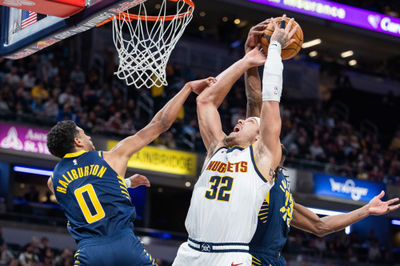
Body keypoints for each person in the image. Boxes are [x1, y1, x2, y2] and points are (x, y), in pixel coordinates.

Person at [242, 18, 400, 266]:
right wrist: (249, 60)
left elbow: (319, 225)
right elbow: (255, 102)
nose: (274, 140)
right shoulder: (256, 169)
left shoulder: (279, 187)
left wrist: (366, 210)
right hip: (244, 259)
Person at [46, 77, 215, 266]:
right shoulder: (111, 158)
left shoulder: (54, 181)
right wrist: (187, 88)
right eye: (84, 133)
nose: (89, 136)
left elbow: (84, 192)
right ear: (77, 141)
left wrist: (124, 183)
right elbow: (161, 123)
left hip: (89, 253)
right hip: (124, 244)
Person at [173, 17, 298, 266]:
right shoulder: (217, 148)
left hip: (230, 255)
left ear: (260, 137)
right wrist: (246, 59)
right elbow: (205, 101)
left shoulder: (262, 159)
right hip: (189, 252)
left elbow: (270, 100)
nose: (239, 120)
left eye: (248, 122)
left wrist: (274, 49)